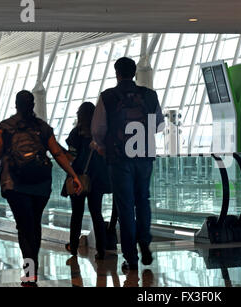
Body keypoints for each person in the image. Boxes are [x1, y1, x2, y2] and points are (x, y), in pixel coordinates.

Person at [0, 90, 82, 287]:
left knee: (24, 227)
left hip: (14, 183)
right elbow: (57, 153)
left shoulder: (5, 127)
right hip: (40, 184)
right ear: (33, 105)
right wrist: (73, 175)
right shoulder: (42, 127)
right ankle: (32, 269)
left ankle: (30, 273)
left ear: (16, 105)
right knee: (34, 225)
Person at [91, 57, 164, 272]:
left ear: (117, 73)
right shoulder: (150, 96)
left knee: (125, 205)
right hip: (144, 157)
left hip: (119, 158)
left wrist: (104, 147)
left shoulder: (108, 97)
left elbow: (98, 130)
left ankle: (131, 257)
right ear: (134, 73)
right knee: (143, 199)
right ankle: (145, 241)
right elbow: (159, 124)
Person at [63, 102, 112, 260]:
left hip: (78, 178)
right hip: (97, 179)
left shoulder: (76, 134)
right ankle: (101, 249)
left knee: (76, 214)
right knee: (96, 213)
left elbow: (71, 156)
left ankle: (73, 247)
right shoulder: (100, 134)